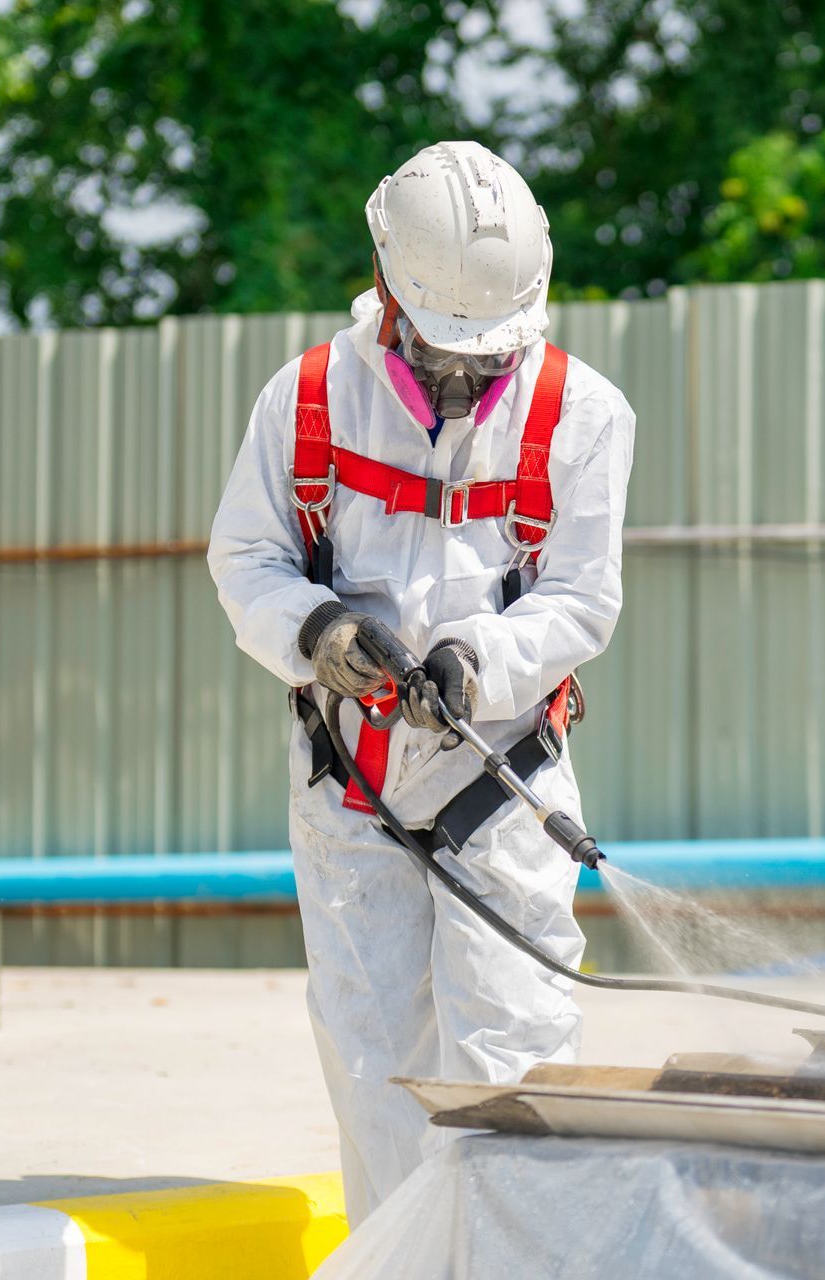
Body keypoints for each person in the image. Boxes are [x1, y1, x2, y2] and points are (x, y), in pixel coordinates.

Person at [207, 140, 635, 1221]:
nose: (461, 382)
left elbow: (582, 597)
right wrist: (319, 632)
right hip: (349, 783)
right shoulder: (307, 400)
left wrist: (478, 660)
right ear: (386, 283)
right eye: (445, 355)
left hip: (504, 782)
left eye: (483, 361)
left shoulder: (583, 415)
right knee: (375, 1067)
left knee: (518, 1061)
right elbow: (246, 558)